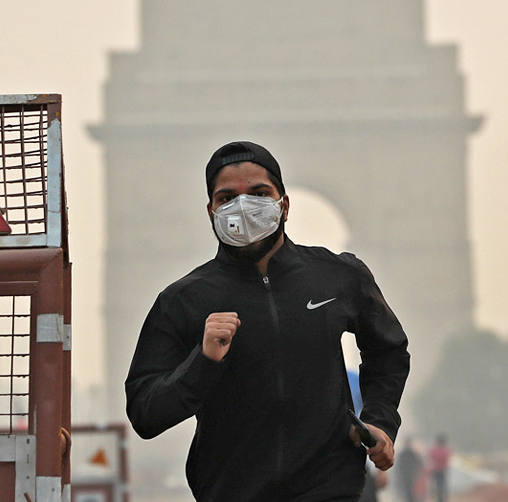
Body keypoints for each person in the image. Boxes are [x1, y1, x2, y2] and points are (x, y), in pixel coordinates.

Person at [126, 141, 411, 502]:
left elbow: (389, 351)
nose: (243, 206)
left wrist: (381, 421)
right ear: (211, 211)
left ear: (285, 204)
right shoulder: (183, 301)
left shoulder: (337, 276)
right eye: (227, 198)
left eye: (259, 193)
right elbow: (144, 414)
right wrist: (203, 361)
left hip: (329, 487)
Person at [427, 434, 451, 502]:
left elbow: (431, 457)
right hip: (441, 470)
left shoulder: (434, 450)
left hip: (436, 470)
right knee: (441, 486)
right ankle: (441, 498)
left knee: (437, 485)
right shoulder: (446, 450)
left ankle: (438, 498)